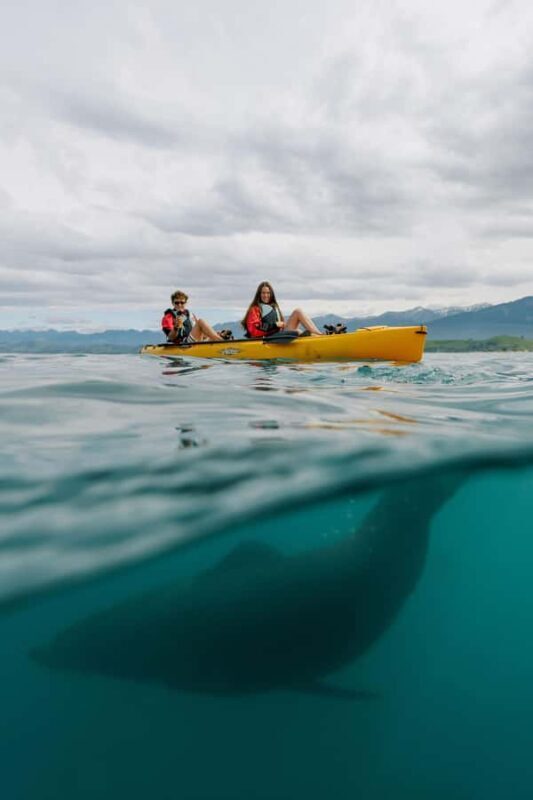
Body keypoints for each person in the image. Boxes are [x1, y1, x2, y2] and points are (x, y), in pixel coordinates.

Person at [241, 281, 321, 338]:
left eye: (268, 293)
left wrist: (282, 325)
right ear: (259, 294)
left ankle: (320, 336)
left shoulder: (274, 307)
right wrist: (275, 325)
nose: (266, 295)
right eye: (263, 293)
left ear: (271, 294)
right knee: (297, 331)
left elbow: (280, 327)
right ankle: (318, 338)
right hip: (267, 338)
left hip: (278, 335)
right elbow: (255, 329)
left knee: (298, 312)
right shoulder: (255, 309)